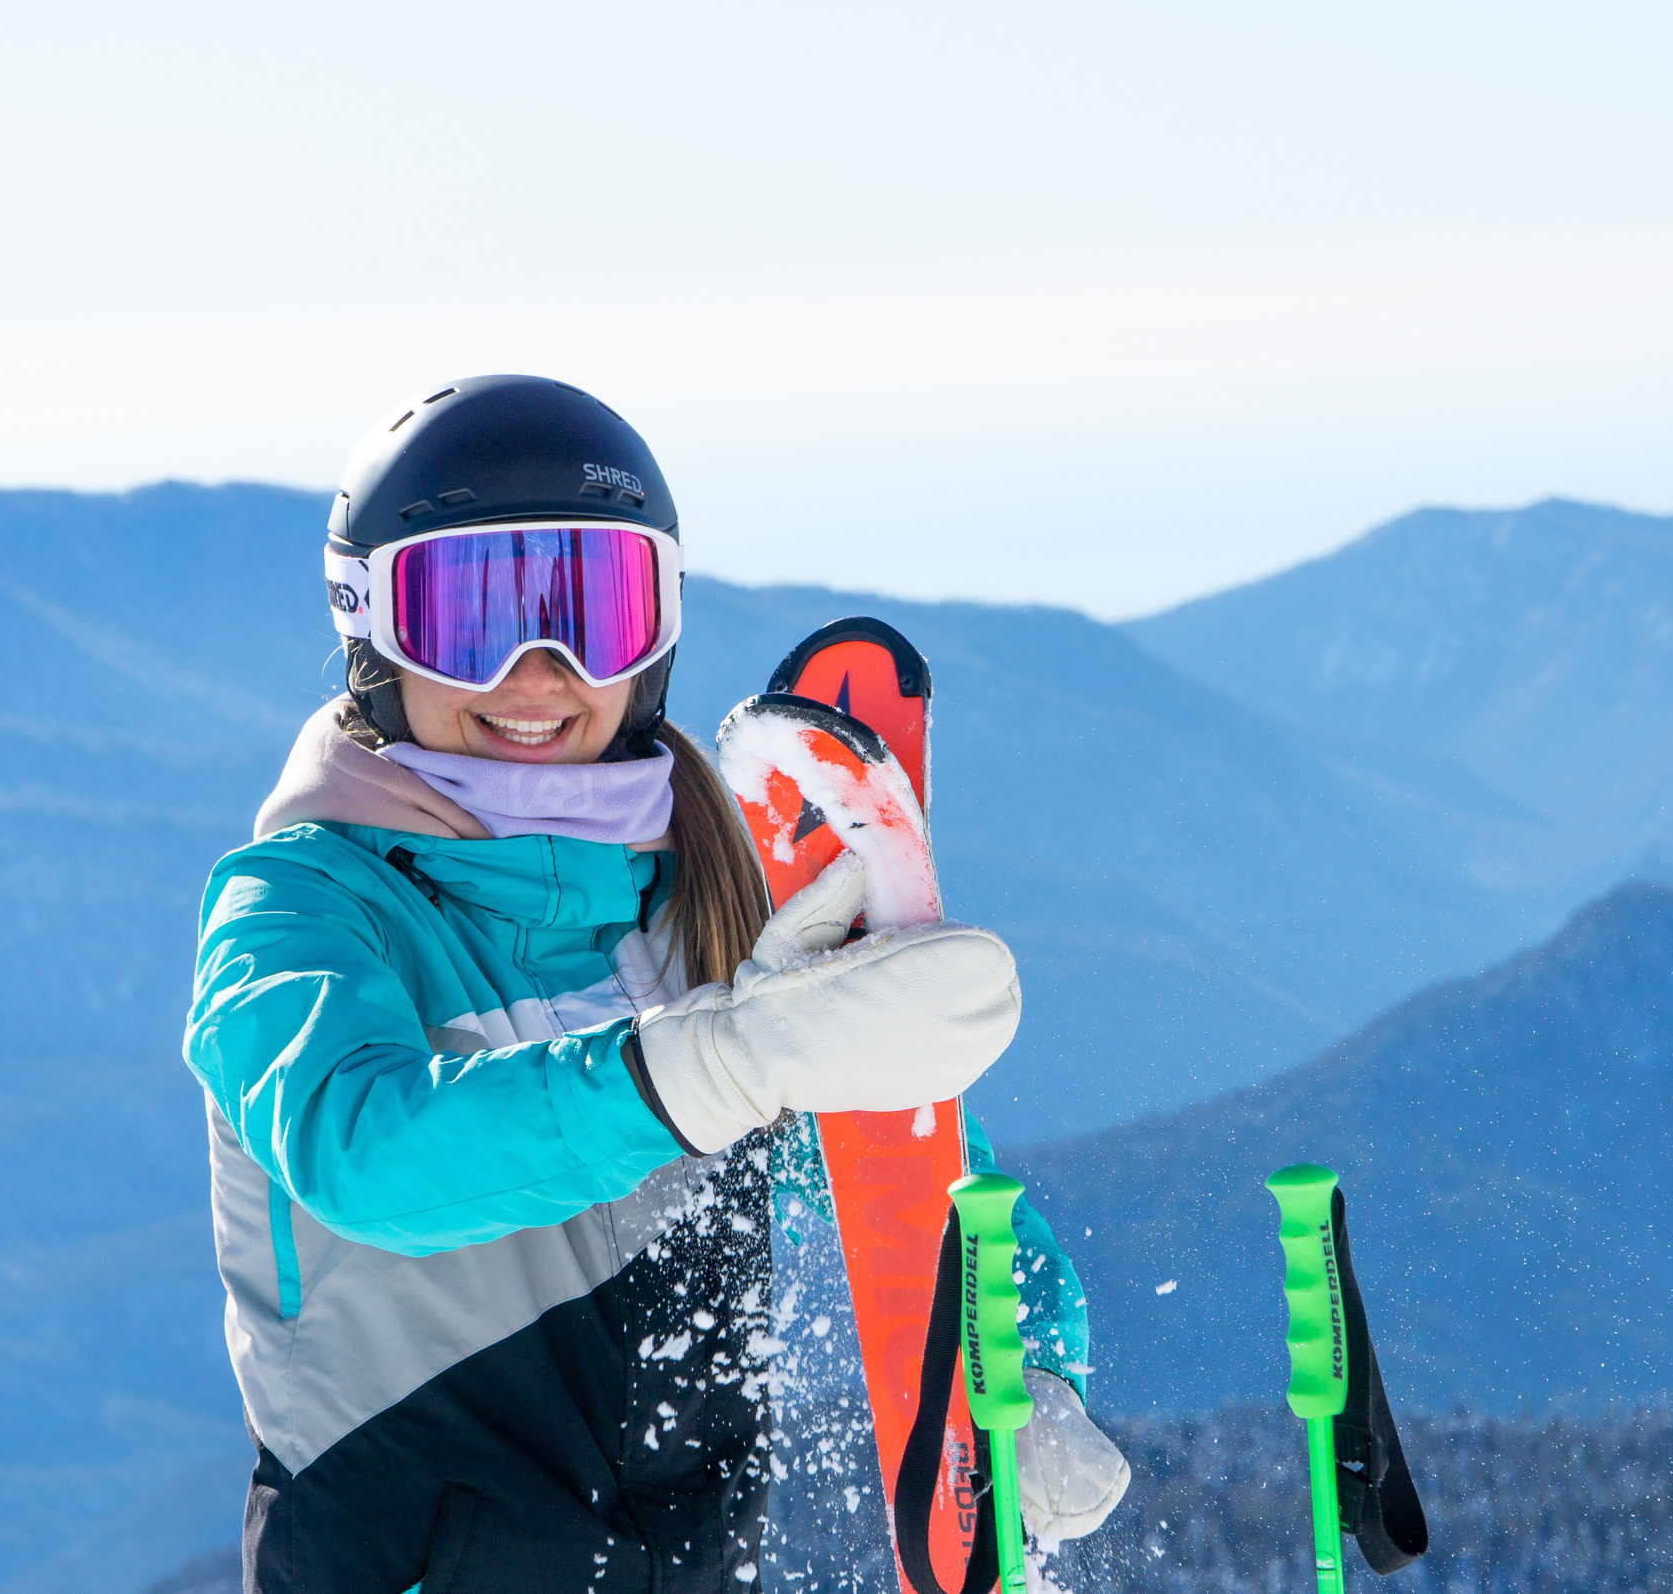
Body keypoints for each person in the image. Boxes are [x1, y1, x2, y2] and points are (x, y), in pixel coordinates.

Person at [185, 375, 1128, 1593]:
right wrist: (710, 1062)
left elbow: (904, 1155)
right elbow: (364, 1153)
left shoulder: (704, 904)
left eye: (593, 608)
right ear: (371, 628)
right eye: (470, 615)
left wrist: (1029, 1357)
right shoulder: (299, 910)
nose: (538, 672)